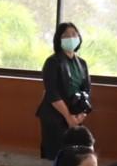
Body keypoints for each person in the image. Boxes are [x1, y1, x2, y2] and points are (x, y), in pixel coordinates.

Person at [37, 20, 92, 158]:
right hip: (55, 115)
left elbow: (86, 90)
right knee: (57, 155)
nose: (71, 37)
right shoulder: (53, 62)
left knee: (74, 157)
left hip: (76, 114)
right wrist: (68, 117)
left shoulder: (82, 63)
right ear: (58, 39)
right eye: (66, 35)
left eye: (74, 34)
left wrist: (81, 114)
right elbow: (52, 93)